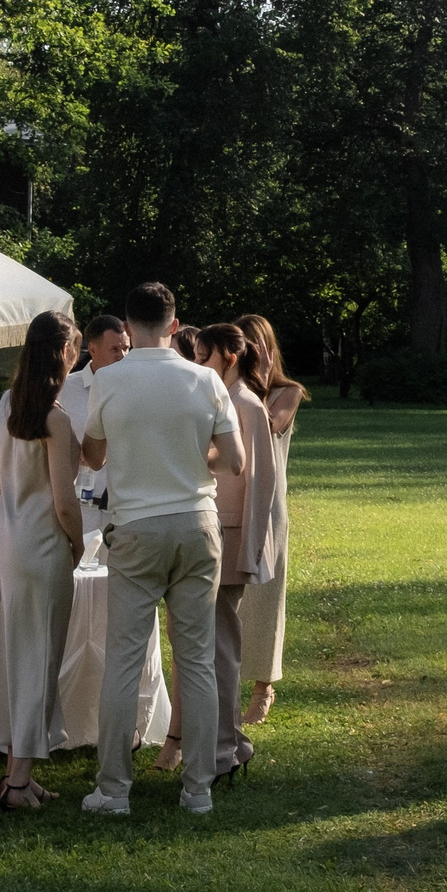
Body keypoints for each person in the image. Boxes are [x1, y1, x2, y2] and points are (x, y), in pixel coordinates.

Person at [79, 281, 243, 817]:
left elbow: (95, 455)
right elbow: (234, 460)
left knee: (124, 660)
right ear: (176, 325)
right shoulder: (205, 380)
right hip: (197, 522)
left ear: (127, 327)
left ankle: (113, 790)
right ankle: (198, 790)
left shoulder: (108, 379)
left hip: (137, 527)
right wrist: (194, 456)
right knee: (196, 660)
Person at [154, 323, 271, 781]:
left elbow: (262, 485)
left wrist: (253, 550)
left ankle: (224, 750)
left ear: (228, 355)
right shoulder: (219, 398)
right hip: (209, 533)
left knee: (219, 648)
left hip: (232, 538)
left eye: (203, 357)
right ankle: (233, 744)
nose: (198, 365)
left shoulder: (246, 403)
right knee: (210, 644)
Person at [0, 312, 86, 810]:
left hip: (4, 539)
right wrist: (79, 541)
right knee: (38, 659)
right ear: (65, 353)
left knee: (13, 655)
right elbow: (66, 502)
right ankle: (20, 779)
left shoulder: (8, 404)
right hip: (41, 544)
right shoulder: (55, 418)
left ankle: (13, 770)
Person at [234, 312, 304, 726]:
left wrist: (259, 380)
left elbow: (267, 426)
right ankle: (226, 681)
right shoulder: (226, 391)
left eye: (252, 347)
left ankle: (263, 686)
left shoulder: (287, 393)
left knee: (265, 596)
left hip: (269, 504)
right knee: (227, 598)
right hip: (229, 501)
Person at [57, 314, 128, 521]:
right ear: (94, 350)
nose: (123, 356)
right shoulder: (65, 389)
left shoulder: (136, 390)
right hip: (81, 509)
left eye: (126, 348)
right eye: (115, 349)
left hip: (124, 510)